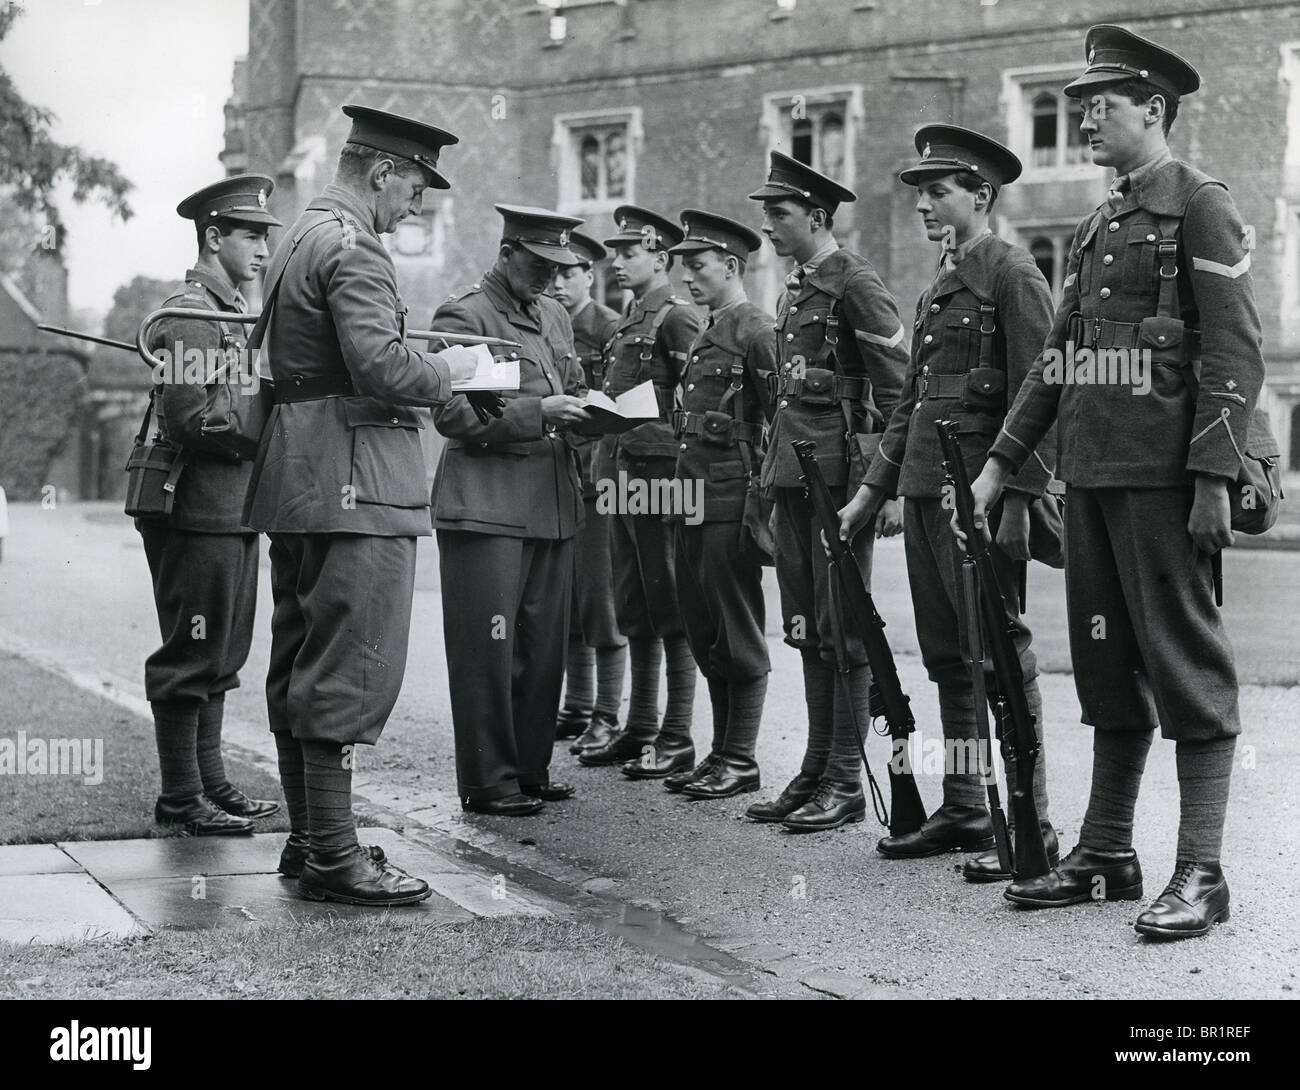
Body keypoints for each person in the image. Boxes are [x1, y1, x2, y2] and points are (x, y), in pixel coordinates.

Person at [968, 26, 1263, 938]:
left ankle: (1203, 871)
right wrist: (1001, 465)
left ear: (1155, 110)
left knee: (1185, 666)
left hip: (1164, 483)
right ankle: (1105, 852)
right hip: (1092, 480)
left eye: (1102, 103)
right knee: (1105, 666)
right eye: (1080, 103)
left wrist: (1214, 476)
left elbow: (1235, 352)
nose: (1084, 116)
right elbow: (1055, 362)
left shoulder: (1198, 206)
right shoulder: (1100, 224)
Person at [243, 105, 481, 905]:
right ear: (382, 171)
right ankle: (337, 857)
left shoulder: (299, 234)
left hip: (299, 475)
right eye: (414, 185)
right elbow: (379, 364)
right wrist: (454, 370)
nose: (415, 205)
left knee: (302, 658)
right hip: (358, 480)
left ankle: (311, 841)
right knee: (351, 665)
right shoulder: (355, 245)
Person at [838, 126, 1059, 878]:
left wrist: (1019, 500)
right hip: (927, 493)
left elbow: (1041, 391)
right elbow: (909, 405)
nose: (926, 207)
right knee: (947, 658)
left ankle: (1033, 819)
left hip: (982, 498)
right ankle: (966, 804)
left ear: (981, 196)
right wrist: (871, 493)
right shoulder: (939, 286)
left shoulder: (1012, 273)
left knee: (998, 652)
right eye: (920, 195)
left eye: (939, 193)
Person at [744, 153, 908, 832]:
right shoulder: (796, 288)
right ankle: (815, 767)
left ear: (817, 216)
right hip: (791, 474)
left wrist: (886, 487)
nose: (770, 228)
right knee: (805, 625)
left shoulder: (853, 283)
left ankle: (844, 778)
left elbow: (901, 389)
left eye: (779, 215)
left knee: (842, 627)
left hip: (839, 483)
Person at [432, 205, 591, 816]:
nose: (551, 279)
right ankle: (489, 780)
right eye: (539, 265)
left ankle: (529, 767)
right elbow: (453, 415)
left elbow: (568, 388)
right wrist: (539, 414)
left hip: (551, 504)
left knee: (543, 647)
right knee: (487, 652)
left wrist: (589, 414)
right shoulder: (467, 315)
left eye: (559, 267)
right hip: (487, 507)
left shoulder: (552, 314)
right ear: (507, 253)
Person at [140, 175, 283, 837]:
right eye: (249, 235)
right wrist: (270, 418)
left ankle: (210, 783)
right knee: (191, 654)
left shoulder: (231, 312)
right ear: (214, 236)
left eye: (265, 236)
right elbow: (194, 415)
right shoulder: (194, 313)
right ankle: (180, 797)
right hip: (196, 505)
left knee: (223, 653)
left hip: (232, 507)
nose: (261, 248)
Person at [577, 206, 703, 779]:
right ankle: (642, 725)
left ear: (661, 258)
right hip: (621, 473)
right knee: (633, 599)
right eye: (617, 253)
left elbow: (695, 406)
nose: (619, 263)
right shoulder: (630, 320)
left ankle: (675, 734)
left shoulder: (675, 317)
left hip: (659, 477)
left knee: (669, 597)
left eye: (631, 253)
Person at [662, 209, 776, 799]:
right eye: (684, 267)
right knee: (703, 625)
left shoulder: (757, 330)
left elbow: (779, 419)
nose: (687, 278)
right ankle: (718, 753)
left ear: (731, 266)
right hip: (690, 496)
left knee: (736, 628)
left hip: (731, 498)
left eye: (697, 265)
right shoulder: (711, 328)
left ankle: (741, 757)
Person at [549, 232, 628, 757]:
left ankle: (606, 713)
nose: (556, 283)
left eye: (568, 273)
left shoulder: (608, 328)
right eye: (551, 273)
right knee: (570, 600)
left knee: (600, 601)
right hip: (558, 474)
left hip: (598, 479)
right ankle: (576, 707)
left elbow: (619, 405)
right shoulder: (546, 323)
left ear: (588, 277)